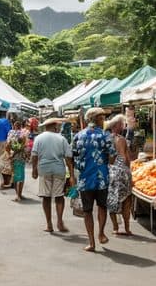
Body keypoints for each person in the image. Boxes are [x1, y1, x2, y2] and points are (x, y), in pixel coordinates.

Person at [72, 107, 116, 252]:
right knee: (102, 207)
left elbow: (73, 156)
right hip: (101, 178)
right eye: (102, 118)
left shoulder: (78, 136)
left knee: (87, 211)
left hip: (84, 179)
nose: (103, 121)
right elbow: (112, 156)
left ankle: (91, 242)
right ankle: (101, 233)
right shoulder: (105, 135)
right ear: (96, 119)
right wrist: (105, 162)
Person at [31, 117, 74, 233]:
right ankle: (60, 221)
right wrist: (72, 175)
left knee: (46, 197)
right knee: (59, 196)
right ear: (55, 126)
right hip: (59, 169)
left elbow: (34, 156)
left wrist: (34, 170)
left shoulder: (39, 138)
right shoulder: (62, 138)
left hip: (44, 169)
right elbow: (68, 157)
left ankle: (49, 224)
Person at [106, 114, 134, 236]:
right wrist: (128, 170)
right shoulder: (121, 139)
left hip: (111, 172)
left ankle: (115, 228)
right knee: (127, 200)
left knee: (112, 200)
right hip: (123, 172)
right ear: (117, 126)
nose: (123, 126)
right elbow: (126, 157)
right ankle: (127, 228)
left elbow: (108, 158)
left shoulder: (106, 139)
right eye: (122, 124)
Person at [7, 121, 28, 202]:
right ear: (21, 126)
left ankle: (18, 195)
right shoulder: (23, 134)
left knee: (15, 177)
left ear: (14, 126)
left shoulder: (10, 133)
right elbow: (24, 146)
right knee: (21, 177)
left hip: (13, 158)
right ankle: (19, 195)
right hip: (21, 158)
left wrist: (10, 154)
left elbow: (8, 145)